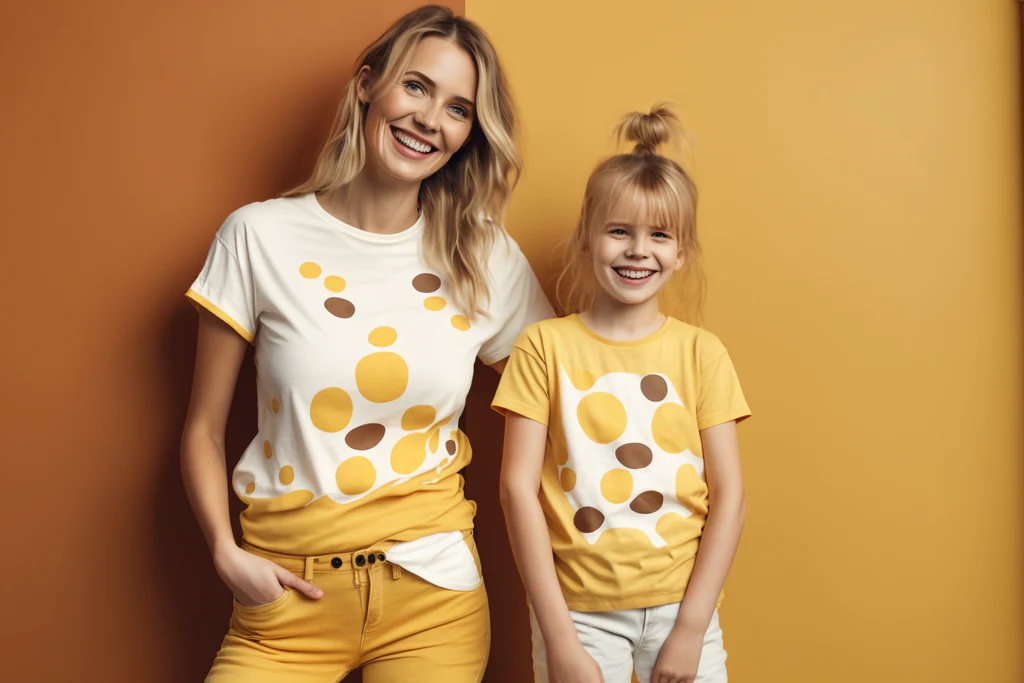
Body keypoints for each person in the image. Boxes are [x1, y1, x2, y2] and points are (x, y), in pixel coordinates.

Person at [180, 6, 552, 681]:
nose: (429, 119)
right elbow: (202, 429)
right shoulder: (258, 237)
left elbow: (563, 384)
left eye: (458, 108)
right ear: (367, 85)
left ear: (469, 133)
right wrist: (223, 550)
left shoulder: (483, 254)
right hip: (285, 604)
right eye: (416, 87)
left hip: (434, 598)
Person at [493, 105, 750, 683]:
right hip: (578, 614)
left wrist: (689, 630)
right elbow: (516, 490)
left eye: (660, 235)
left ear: (681, 252)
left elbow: (729, 496)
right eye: (619, 231)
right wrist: (558, 637)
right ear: (587, 237)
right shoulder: (542, 348)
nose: (639, 250)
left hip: (685, 608)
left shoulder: (701, 353)